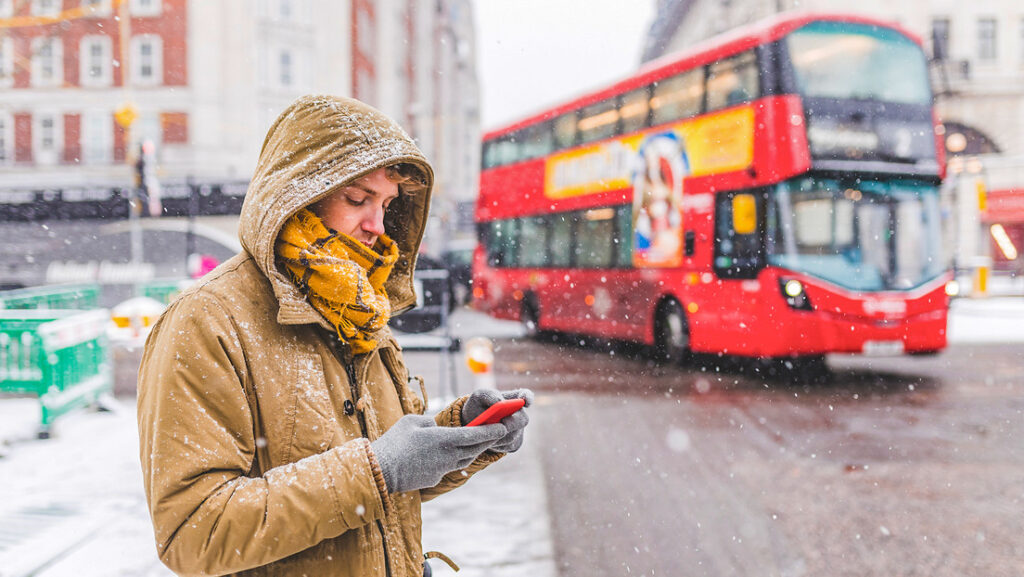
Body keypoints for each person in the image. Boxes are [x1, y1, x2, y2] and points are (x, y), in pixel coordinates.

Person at [137, 94, 533, 577]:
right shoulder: (207, 320)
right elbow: (193, 531)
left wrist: (462, 433)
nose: (377, 226)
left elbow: (387, 474)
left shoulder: (359, 309)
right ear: (296, 192)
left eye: (387, 204)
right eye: (357, 199)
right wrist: (378, 469)